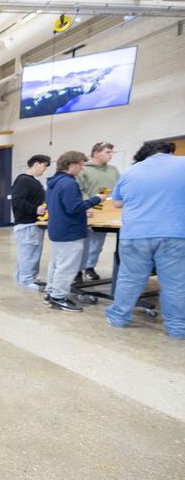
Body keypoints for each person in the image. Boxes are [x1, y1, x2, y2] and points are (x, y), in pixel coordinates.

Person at [105, 141, 185, 339]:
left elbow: (117, 202)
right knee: (175, 283)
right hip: (174, 233)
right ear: (170, 152)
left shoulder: (130, 172)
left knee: (130, 278)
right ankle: (177, 328)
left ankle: (118, 318)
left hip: (135, 233)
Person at [44, 151, 106, 311]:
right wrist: (96, 199)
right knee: (67, 267)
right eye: (81, 165)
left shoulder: (54, 182)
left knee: (56, 264)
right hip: (70, 232)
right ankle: (58, 298)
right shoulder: (69, 183)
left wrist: (80, 210)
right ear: (71, 164)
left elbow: (62, 206)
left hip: (57, 229)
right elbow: (74, 208)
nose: (82, 169)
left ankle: (51, 292)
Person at [76, 141, 119, 281]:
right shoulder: (83, 170)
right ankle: (77, 270)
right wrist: (88, 204)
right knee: (82, 244)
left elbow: (118, 189)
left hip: (107, 212)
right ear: (96, 153)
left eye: (112, 152)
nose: (111, 155)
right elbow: (79, 190)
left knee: (97, 244)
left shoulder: (113, 170)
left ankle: (90, 267)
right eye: (107, 152)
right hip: (87, 211)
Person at [11, 154, 51, 289]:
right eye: (44, 166)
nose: (44, 170)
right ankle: (27, 280)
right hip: (27, 224)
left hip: (34, 224)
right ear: (36, 164)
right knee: (29, 254)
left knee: (28, 253)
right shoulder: (23, 180)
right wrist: (35, 209)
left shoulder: (33, 181)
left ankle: (22, 277)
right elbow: (17, 201)